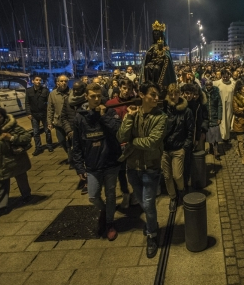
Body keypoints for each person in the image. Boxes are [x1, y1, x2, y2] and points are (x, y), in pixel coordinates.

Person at [117, 82, 166, 258]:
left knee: (149, 204)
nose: (156, 98)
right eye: (152, 94)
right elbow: (121, 136)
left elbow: (152, 142)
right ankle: (152, 223)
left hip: (151, 168)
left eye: (157, 95)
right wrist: (129, 118)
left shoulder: (160, 117)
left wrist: (132, 142)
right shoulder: (133, 114)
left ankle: (152, 234)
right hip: (132, 167)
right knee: (143, 203)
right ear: (142, 95)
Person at [71, 83, 122, 241]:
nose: (96, 99)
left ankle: (109, 223)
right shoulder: (80, 117)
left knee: (111, 194)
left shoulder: (109, 111)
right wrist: (79, 167)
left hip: (111, 161)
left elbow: (118, 129)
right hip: (93, 164)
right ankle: (106, 211)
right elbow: (77, 144)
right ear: (86, 97)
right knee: (93, 196)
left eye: (99, 96)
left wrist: (104, 115)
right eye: (93, 96)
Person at [0, 106, 33, 220]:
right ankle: (1, 207)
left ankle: (26, 195)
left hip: (15, 160)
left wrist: (11, 138)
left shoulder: (12, 127)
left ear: (3, 117)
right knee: (1, 184)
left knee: (21, 178)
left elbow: (26, 137)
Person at [162, 83, 194, 212]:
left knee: (177, 176)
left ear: (179, 94)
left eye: (176, 93)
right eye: (171, 94)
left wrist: (185, 147)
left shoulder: (186, 111)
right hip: (165, 149)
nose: (173, 96)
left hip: (178, 148)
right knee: (167, 176)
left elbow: (190, 131)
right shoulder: (164, 109)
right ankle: (173, 197)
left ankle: (181, 190)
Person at [142, 21, 176, 92]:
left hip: (160, 64)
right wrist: (149, 55)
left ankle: (157, 85)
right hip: (152, 62)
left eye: (157, 34)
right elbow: (148, 57)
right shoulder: (152, 46)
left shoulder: (165, 46)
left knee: (156, 68)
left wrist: (163, 58)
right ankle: (148, 85)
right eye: (155, 34)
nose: (156, 35)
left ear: (161, 35)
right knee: (146, 67)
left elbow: (167, 56)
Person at [25, 76, 53, 156]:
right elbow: (27, 103)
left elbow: (49, 103)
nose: (38, 81)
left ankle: (49, 145)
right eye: (37, 80)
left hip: (44, 114)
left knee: (47, 131)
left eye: (40, 80)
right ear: (33, 81)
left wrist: (50, 113)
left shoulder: (45, 90)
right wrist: (28, 113)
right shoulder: (29, 91)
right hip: (34, 114)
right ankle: (38, 147)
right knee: (36, 132)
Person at [48, 74, 71, 162]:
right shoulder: (53, 94)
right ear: (57, 82)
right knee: (61, 140)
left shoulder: (71, 93)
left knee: (70, 142)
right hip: (58, 122)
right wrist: (49, 122)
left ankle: (71, 158)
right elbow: (50, 109)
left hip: (69, 122)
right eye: (61, 81)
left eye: (65, 81)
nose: (63, 83)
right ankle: (69, 153)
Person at [204, 80, 223, 160]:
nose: (209, 86)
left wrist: (219, 117)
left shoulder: (216, 93)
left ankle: (216, 151)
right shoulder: (203, 93)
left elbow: (219, 105)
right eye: (207, 85)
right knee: (209, 134)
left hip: (214, 116)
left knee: (215, 134)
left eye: (210, 84)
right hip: (206, 117)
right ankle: (211, 147)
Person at [217, 70, 235, 142]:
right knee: (221, 120)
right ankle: (221, 135)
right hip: (220, 105)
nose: (225, 78)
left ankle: (227, 135)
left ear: (229, 76)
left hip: (229, 105)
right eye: (223, 77)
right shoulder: (217, 83)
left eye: (226, 77)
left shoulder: (233, 84)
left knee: (228, 120)